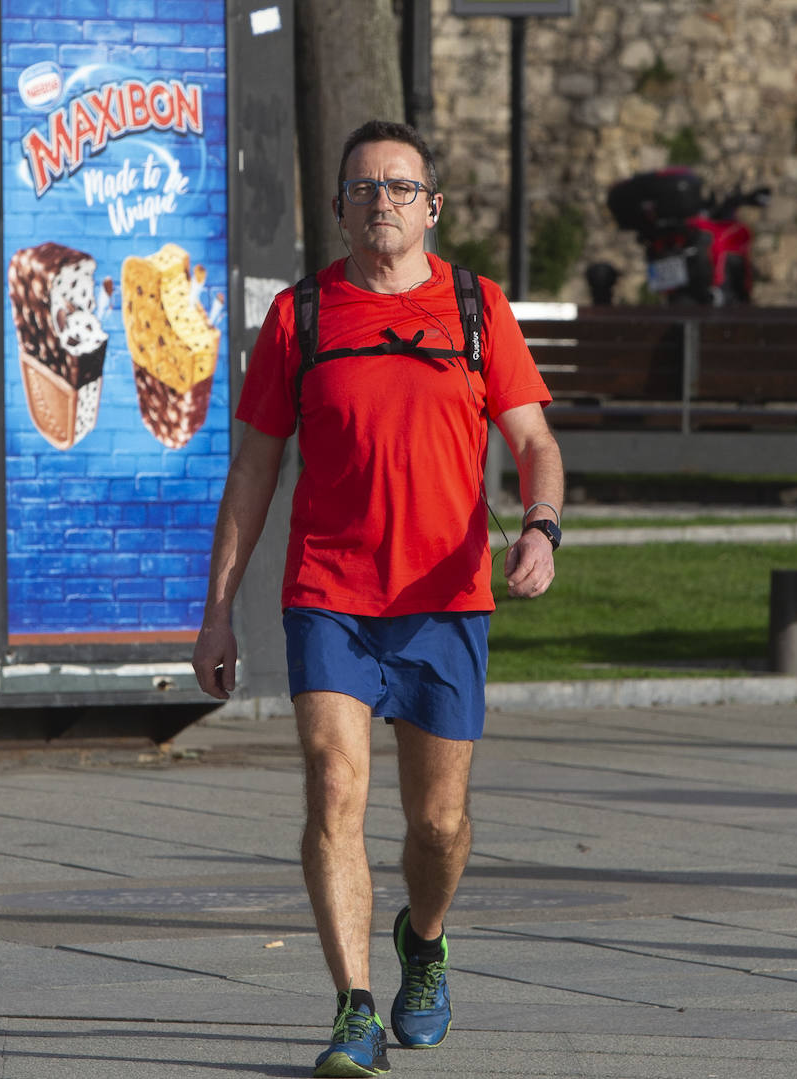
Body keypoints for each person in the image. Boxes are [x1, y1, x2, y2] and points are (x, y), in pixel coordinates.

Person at [192, 119, 563, 1077]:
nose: (382, 202)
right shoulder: (301, 317)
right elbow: (254, 471)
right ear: (339, 210)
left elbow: (534, 443)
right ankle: (353, 1008)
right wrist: (219, 608)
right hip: (331, 594)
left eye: (401, 187)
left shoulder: (478, 308)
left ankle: (425, 941)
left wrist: (541, 525)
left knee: (437, 825)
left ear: (432, 206)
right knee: (332, 785)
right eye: (364, 189)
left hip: (446, 598)